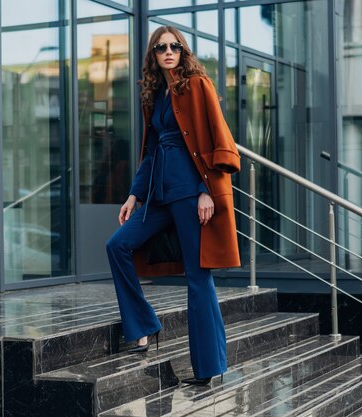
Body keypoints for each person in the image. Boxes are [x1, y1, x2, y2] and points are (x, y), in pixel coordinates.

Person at [105, 25, 241, 386]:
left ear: (183, 52)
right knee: (117, 245)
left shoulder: (197, 86)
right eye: (161, 48)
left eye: (175, 47)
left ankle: (210, 367)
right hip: (159, 195)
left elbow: (217, 138)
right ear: (153, 55)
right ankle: (144, 324)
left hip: (190, 194)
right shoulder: (157, 95)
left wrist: (205, 189)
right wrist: (134, 194)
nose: (168, 52)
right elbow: (150, 152)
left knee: (198, 279)